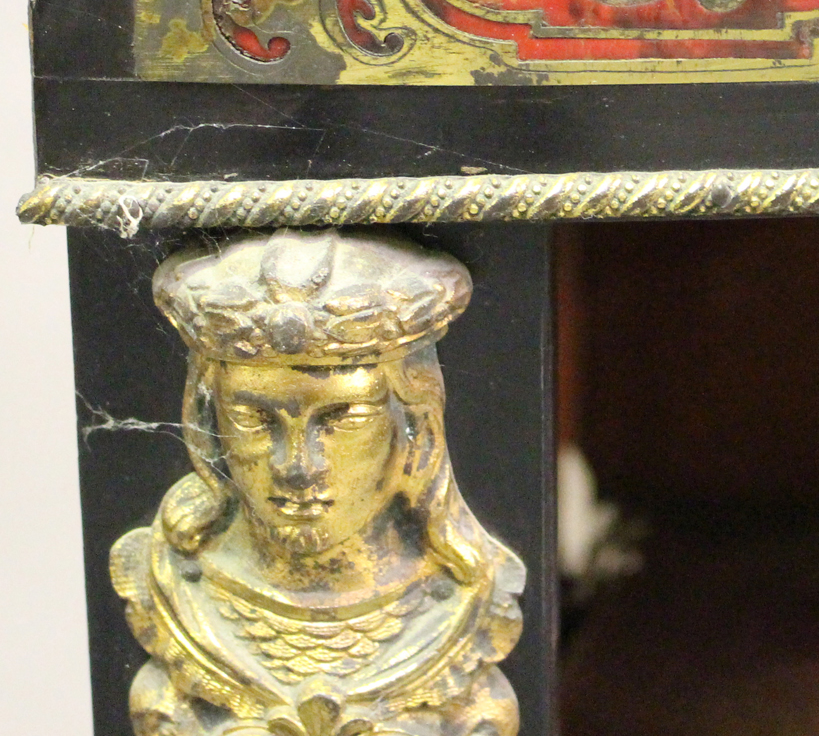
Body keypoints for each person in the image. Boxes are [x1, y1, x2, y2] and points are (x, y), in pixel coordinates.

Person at [111, 229, 524, 736]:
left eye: (342, 418)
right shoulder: (171, 587)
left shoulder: (466, 599)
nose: (298, 467)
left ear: (415, 426)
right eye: (253, 418)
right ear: (207, 424)